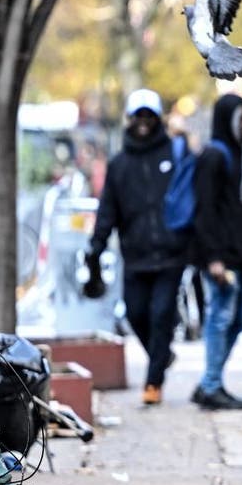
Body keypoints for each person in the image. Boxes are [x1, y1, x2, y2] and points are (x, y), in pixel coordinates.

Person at [88, 89, 190, 405]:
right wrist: (96, 246)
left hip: (171, 253)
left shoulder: (174, 155)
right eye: (138, 116)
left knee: (161, 314)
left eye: (150, 116)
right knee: (136, 314)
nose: (144, 122)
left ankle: (153, 381)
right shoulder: (119, 164)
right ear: (130, 120)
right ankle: (162, 355)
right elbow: (108, 211)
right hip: (135, 255)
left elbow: (190, 198)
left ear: (157, 119)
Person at [191, 93, 242, 410]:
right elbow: (205, 212)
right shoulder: (214, 157)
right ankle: (212, 385)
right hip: (222, 257)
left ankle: (209, 379)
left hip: (241, 255)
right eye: (240, 119)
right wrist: (213, 258)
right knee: (220, 317)